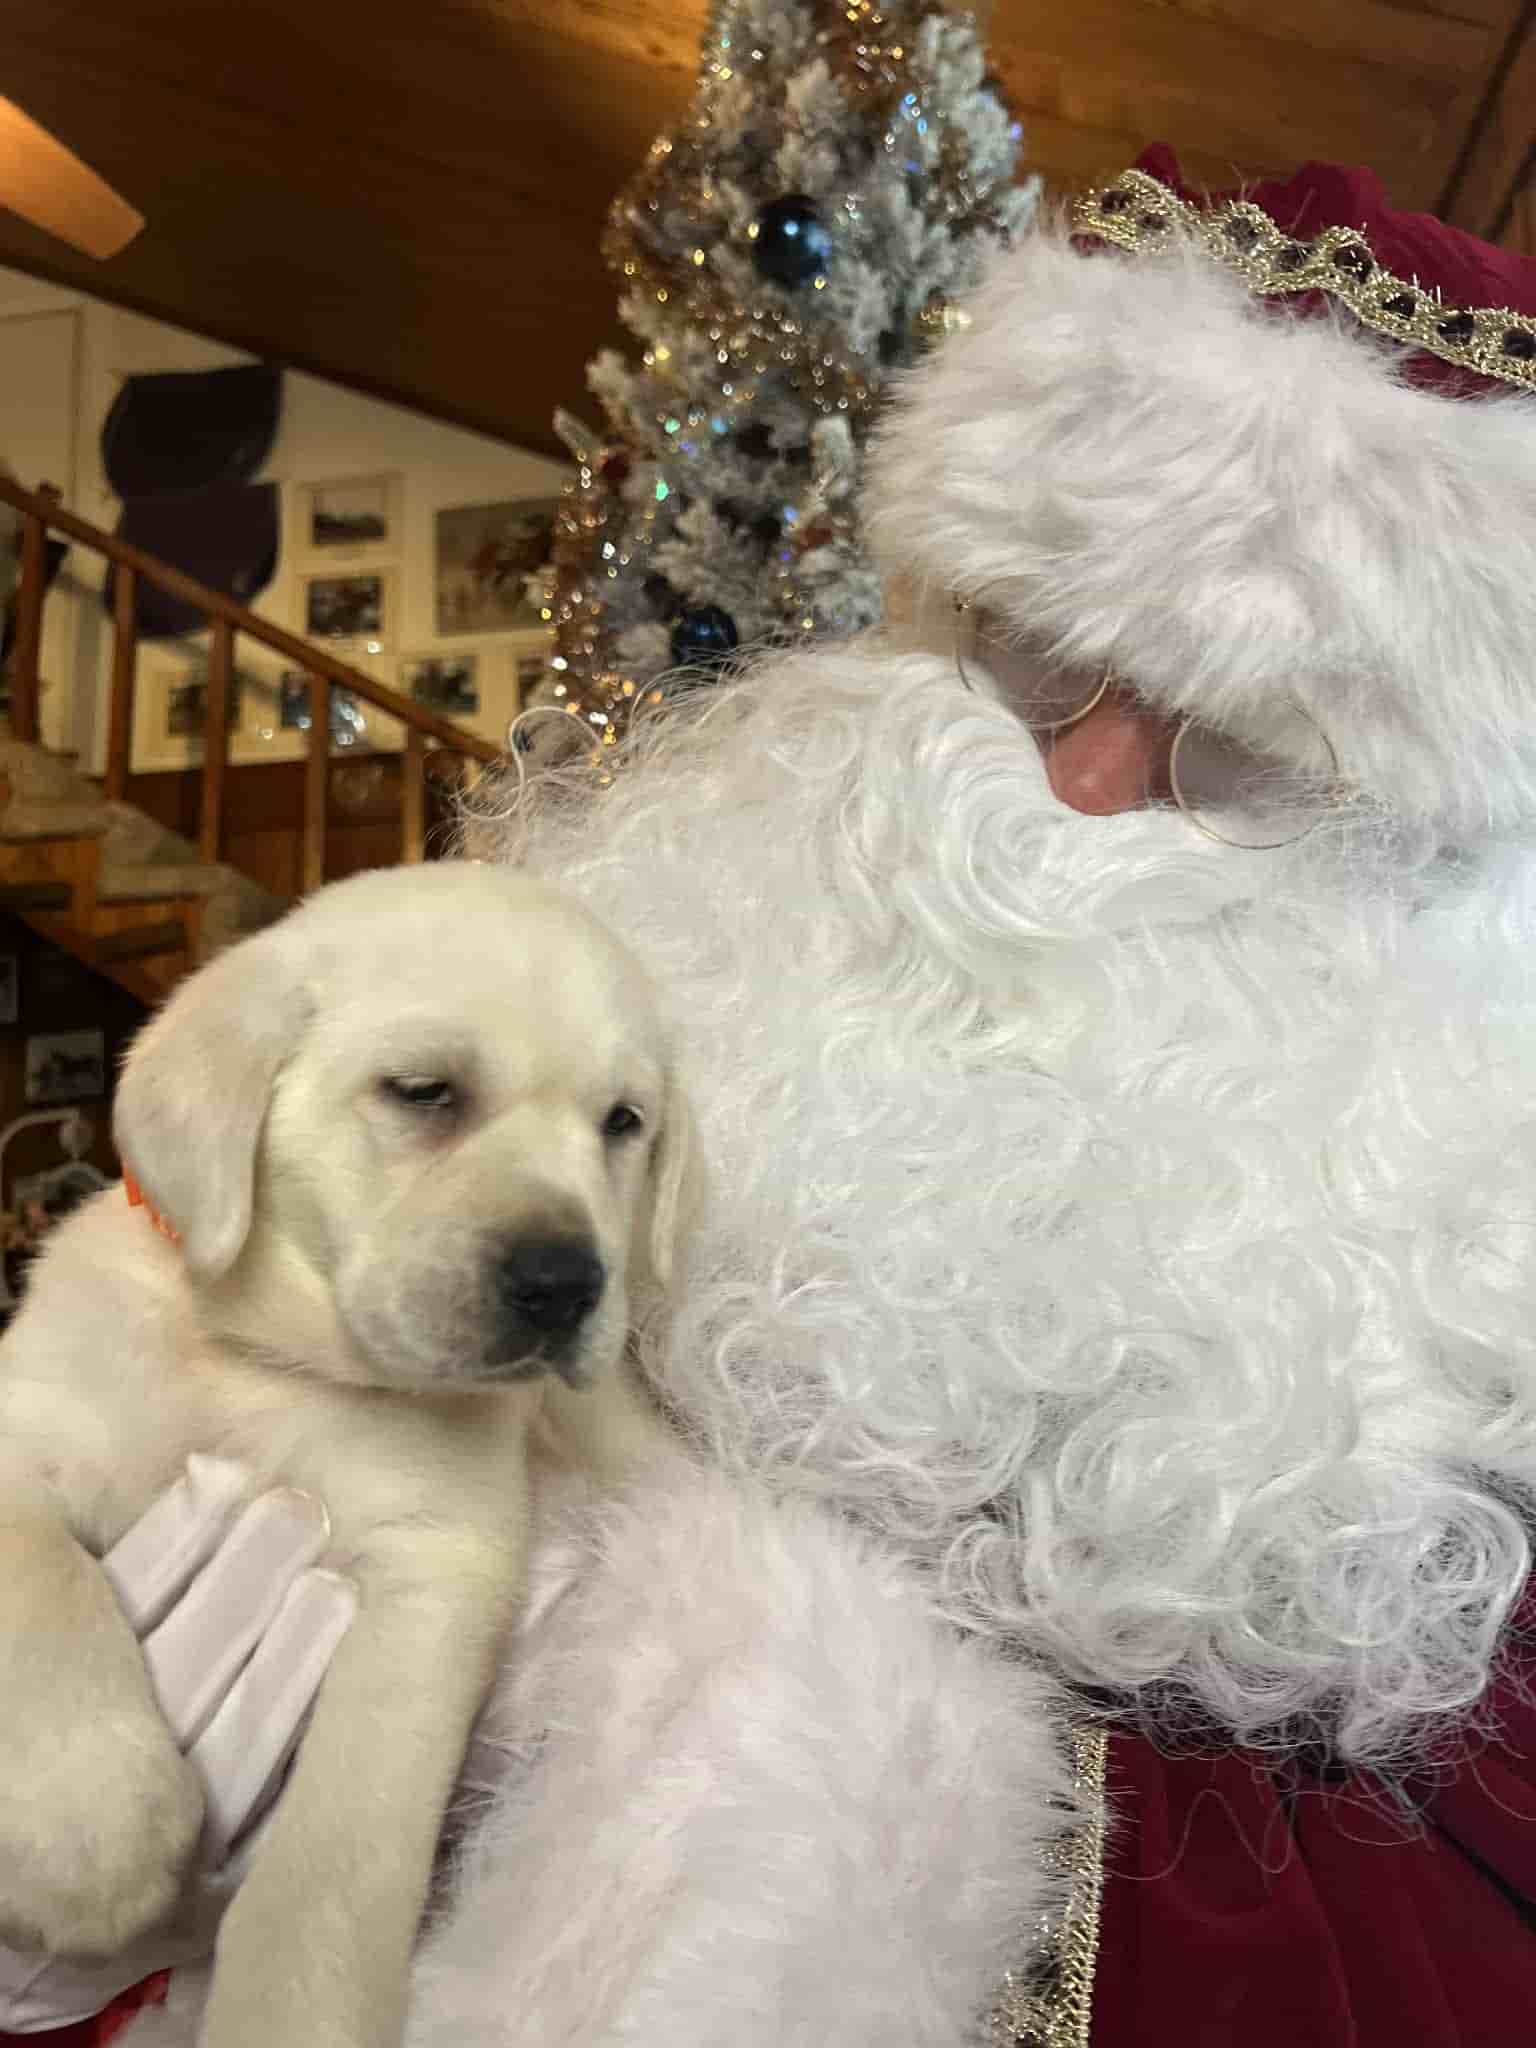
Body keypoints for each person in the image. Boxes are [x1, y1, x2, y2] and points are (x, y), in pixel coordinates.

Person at [11, 147, 1536, 2046]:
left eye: (1232, 748)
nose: (1071, 791)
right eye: (1036, 655)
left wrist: (794, 1776)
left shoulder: (1471, 1366)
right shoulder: (607, 1009)